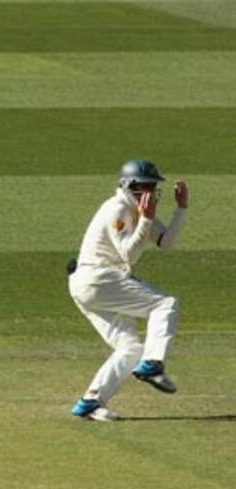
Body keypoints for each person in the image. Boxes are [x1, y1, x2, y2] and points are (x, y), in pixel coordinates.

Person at [68, 159, 187, 421]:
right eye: (144, 187)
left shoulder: (142, 210)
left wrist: (181, 209)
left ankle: (90, 402)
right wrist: (145, 219)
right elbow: (128, 255)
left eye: (152, 187)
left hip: (94, 285)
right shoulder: (118, 209)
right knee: (165, 304)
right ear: (127, 186)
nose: (149, 193)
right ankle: (152, 364)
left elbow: (166, 243)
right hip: (97, 279)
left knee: (130, 348)